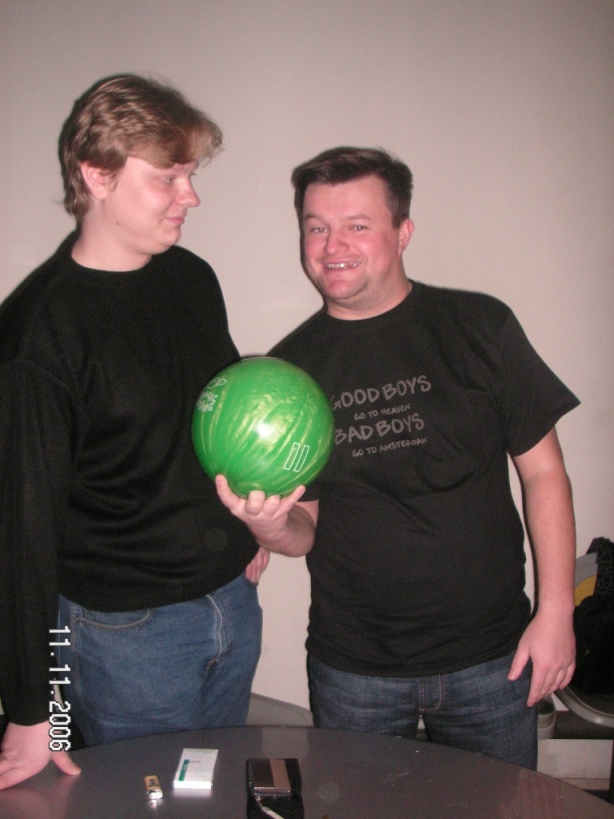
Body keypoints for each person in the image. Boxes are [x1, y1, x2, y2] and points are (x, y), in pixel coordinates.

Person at [217, 146, 580, 770]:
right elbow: (304, 529)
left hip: (492, 658)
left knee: (498, 811)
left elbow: (544, 473)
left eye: (357, 225)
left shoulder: (480, 326)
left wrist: (556, 613)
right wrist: (269, 526)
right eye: (316, 227)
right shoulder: (291, 375)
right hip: (355, 669)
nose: (333, 245)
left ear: (403, 231)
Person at [0, 74, 266, 791]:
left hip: (232, 600)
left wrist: (253, 525)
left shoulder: (191, 278)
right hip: (124, 635)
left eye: (191, 174)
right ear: (98, 175)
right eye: (168, 177)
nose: (191, 196)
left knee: (215, 787)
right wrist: (34, 709)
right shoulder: (38, 338)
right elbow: (21, 536)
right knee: (146, 801)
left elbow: (219, 416)